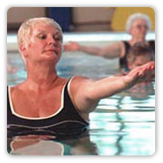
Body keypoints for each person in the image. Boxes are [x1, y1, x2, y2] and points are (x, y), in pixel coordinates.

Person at [7, 17, 155, 138]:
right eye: (42, 36)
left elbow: (95, 87)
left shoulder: (74, 89)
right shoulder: (6, 97)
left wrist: (126, 81)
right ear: (23, 48)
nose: (53, 41)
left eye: (57, 38)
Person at [64, 13, 155, 69]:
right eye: (139, 27)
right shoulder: (122, 46)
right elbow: (101, 51)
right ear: (130, 29)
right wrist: (80, 48)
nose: (143, 29)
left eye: (145, 27)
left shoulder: (153, 44)